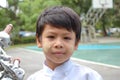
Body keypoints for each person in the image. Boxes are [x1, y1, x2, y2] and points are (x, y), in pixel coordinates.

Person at [27, 6, 103, 80]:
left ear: (76, 43)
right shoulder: (33, 78)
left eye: (66, 38)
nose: (58, 44)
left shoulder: (90, 77)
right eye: (51, 37)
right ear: (39, 41)